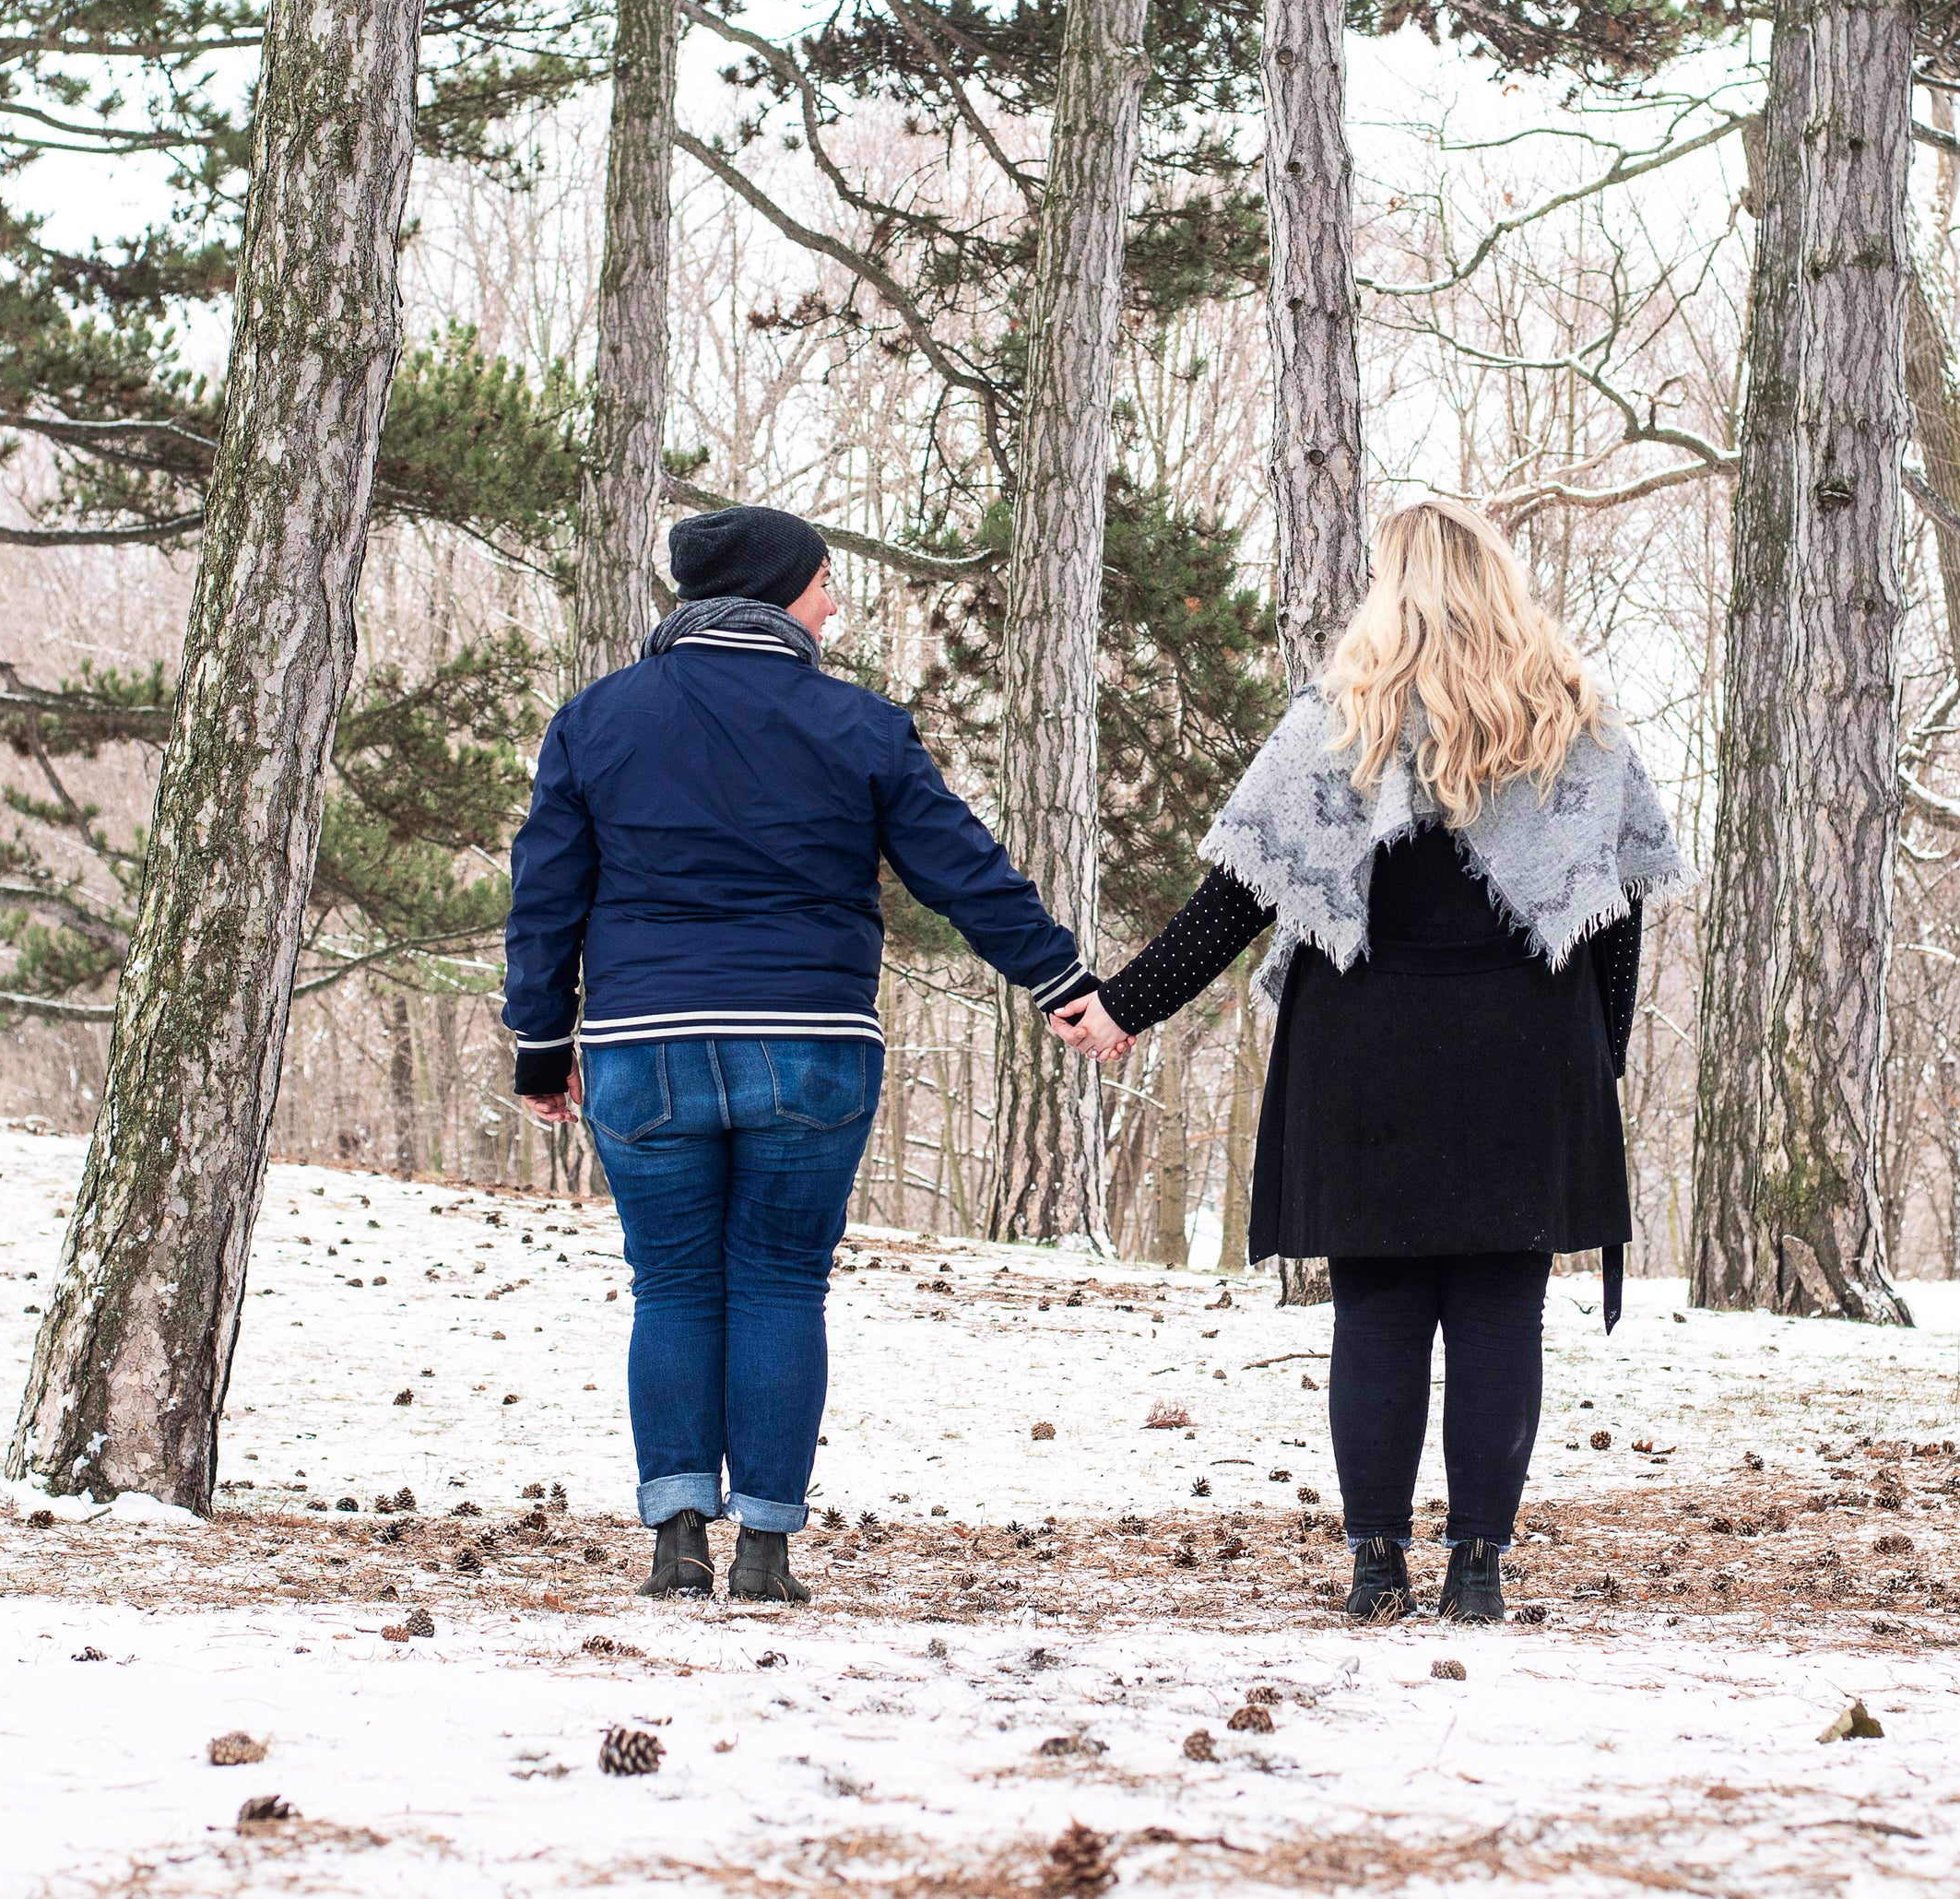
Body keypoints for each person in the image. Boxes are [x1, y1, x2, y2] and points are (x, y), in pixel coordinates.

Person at [1052, 500, 1685, 1624]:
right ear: (1500, 584)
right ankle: (1478, 1567)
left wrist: (1125, 1005)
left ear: (1390, 591)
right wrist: (1600, 1061)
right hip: (1526, 1056)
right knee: (1499, 1308)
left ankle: (1375, 1565)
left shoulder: (1336, 723)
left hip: (1364, 1058)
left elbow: (1237, 897)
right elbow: (1616, 917)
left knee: (1378, 1310)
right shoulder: (1573, 725)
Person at [503, 503, 1095, 1603]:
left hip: (645, 1044)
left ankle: (677, 1535)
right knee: (779, 1282)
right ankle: (767, 1549)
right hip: (811, 1042)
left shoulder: (596, 719)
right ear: (781, 590)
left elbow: (546, 894)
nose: (836, 604)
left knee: (672, 1282)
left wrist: (543, 1046)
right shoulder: (856, 725)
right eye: (826, 583)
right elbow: (961, 869)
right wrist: (1061, 983)